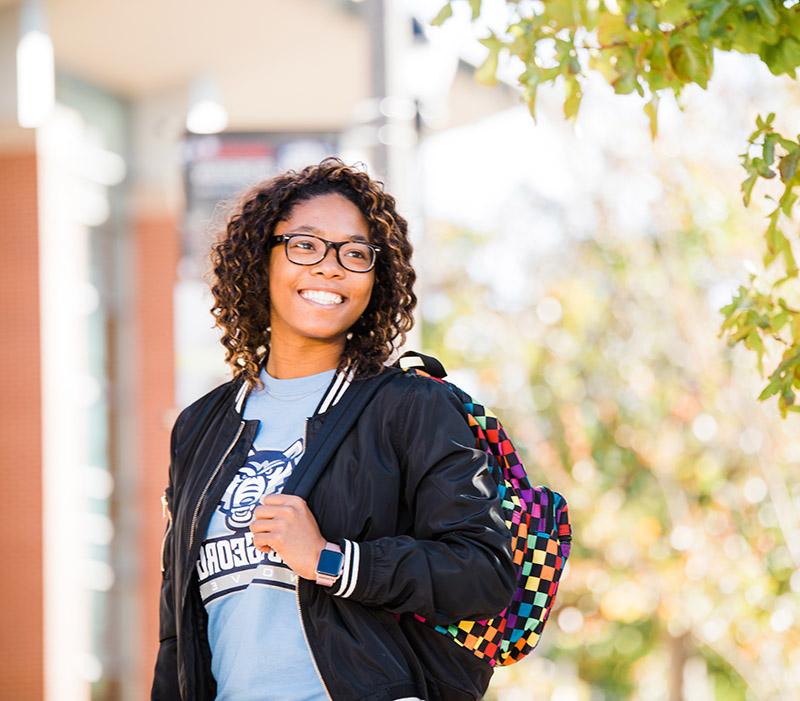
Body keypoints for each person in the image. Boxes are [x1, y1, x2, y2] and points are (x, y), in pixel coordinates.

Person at [151, 158, 516, 701]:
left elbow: (482, 573)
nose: (330, 267)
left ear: (376, 276)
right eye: (305, 245)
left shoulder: (411, 407)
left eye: (354, 252)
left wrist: (333, 560)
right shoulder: (201, 427)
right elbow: (178, 626)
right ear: (261, 259)